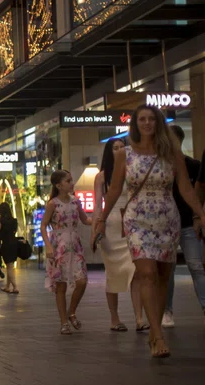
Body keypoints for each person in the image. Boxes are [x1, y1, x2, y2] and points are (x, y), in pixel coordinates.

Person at [95, 106, 203, 357]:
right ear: (135, 124)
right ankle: (157, 334)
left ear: (158, 123)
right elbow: (114, 190)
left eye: (151, 119)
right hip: (137, 219)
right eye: (142, 119)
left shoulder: (172, 154)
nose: (147, 123)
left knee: (163, 276)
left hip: (167, 219)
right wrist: (101, 219)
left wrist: (201, 213)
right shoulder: (124, 154)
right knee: (146, 273)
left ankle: (156, 330)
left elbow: (185, 188)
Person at [93, 138, 146, 332]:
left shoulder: (132, 171)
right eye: (115, 148)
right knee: (112, 273)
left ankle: (139, 318)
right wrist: (95, 229)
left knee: (136, 271)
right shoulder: (101, 177)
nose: (119, 150)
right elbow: (98, 205)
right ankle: (114, 318)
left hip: (131, 223)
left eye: (122, 147)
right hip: (110, 226)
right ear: (109, 152)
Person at [164, 126, 204, 326]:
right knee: (168, 270)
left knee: (196, 266)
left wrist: (199, 216)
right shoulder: (161, 166)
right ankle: (167, 311)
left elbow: (197, 191)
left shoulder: (193, 165)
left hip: (189, 223)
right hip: (166, 225)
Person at [42, 170, 90, 335]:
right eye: (68, 181)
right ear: (58, 185)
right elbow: (43, 225)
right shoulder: (53, 204)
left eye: (71, 180)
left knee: (82, 281)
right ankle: (64, 321)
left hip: (75, 246)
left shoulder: (76, 201)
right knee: (61, 285)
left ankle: (72, 311)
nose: (71, 183)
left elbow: (85, 219)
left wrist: (100, 220)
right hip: (59, 247)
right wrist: (48, 246)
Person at [0, 203, 20, 294]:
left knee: (9, 266)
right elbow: (14, 231)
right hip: (14, 243)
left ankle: (15, 287)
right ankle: (7, 286)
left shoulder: (0, 221)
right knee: (10, 265)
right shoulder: (14, 221)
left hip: (6, 244)